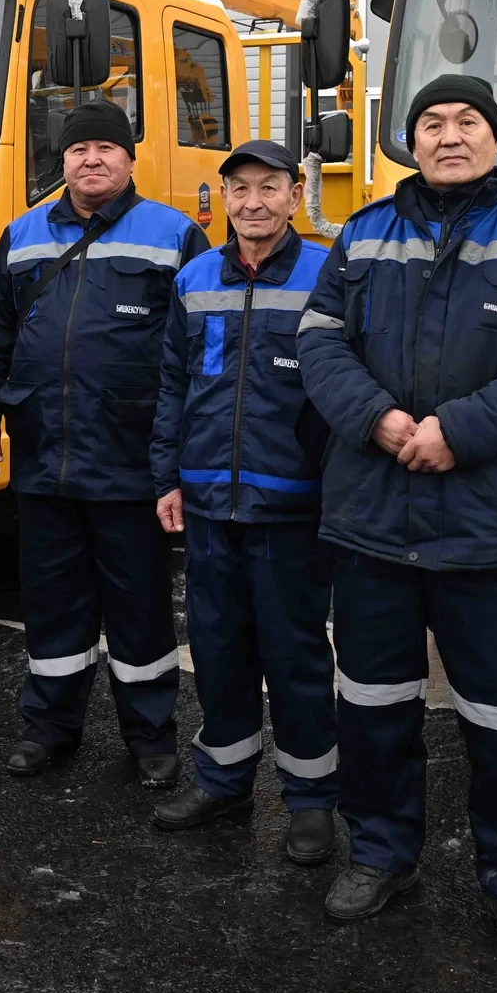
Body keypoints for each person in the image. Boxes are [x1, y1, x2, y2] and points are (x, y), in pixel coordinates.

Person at [296, 74, 497, 970]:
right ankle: (382, 853)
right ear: (410, 141)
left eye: (468, 121)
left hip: (496, 527)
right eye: (431, 123)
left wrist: (457, 432)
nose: (449, 136)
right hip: (375, 514)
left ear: (496, 139)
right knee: (373, 703)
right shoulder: (363, 233)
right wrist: (379, 421)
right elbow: (317, 341)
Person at [0, 101, 211, 786]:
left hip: (131, 458)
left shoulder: (175, 235)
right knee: (52, 604)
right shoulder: (22, 235)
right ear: (64, 161)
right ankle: (49, 728)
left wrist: (184, 448)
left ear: (130, 160)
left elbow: (196, 348)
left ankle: (150, 736)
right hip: (44, 455)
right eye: (79, 149)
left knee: (139, 609)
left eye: (107, 148)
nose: (92, 159)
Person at [148, 139, 338, 865]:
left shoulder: (329, 274)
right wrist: (167, 477)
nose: (253, 202)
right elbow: (174, 383)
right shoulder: (194, 278)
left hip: (292, 504)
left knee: (295, 655)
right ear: (223, 199)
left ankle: (311, 800)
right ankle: (222, 781)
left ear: (294, 196)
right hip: (206, 501)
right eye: (239, 189)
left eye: (268, 187)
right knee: (218, 650)